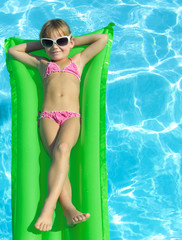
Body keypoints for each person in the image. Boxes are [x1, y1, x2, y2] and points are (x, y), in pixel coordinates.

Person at [8, 19, 108, 232]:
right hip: (48, 117)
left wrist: (71, 42)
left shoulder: (78, 60)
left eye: (61, 41)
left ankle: (49, 206)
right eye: (48, 43)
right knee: (57, 157)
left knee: (62, 150)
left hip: (71, 116)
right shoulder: (43, 63)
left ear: (71, 42)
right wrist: (44, 44)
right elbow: (13, 50)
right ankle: (69, 209)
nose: (55, 47)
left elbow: (102, 38)